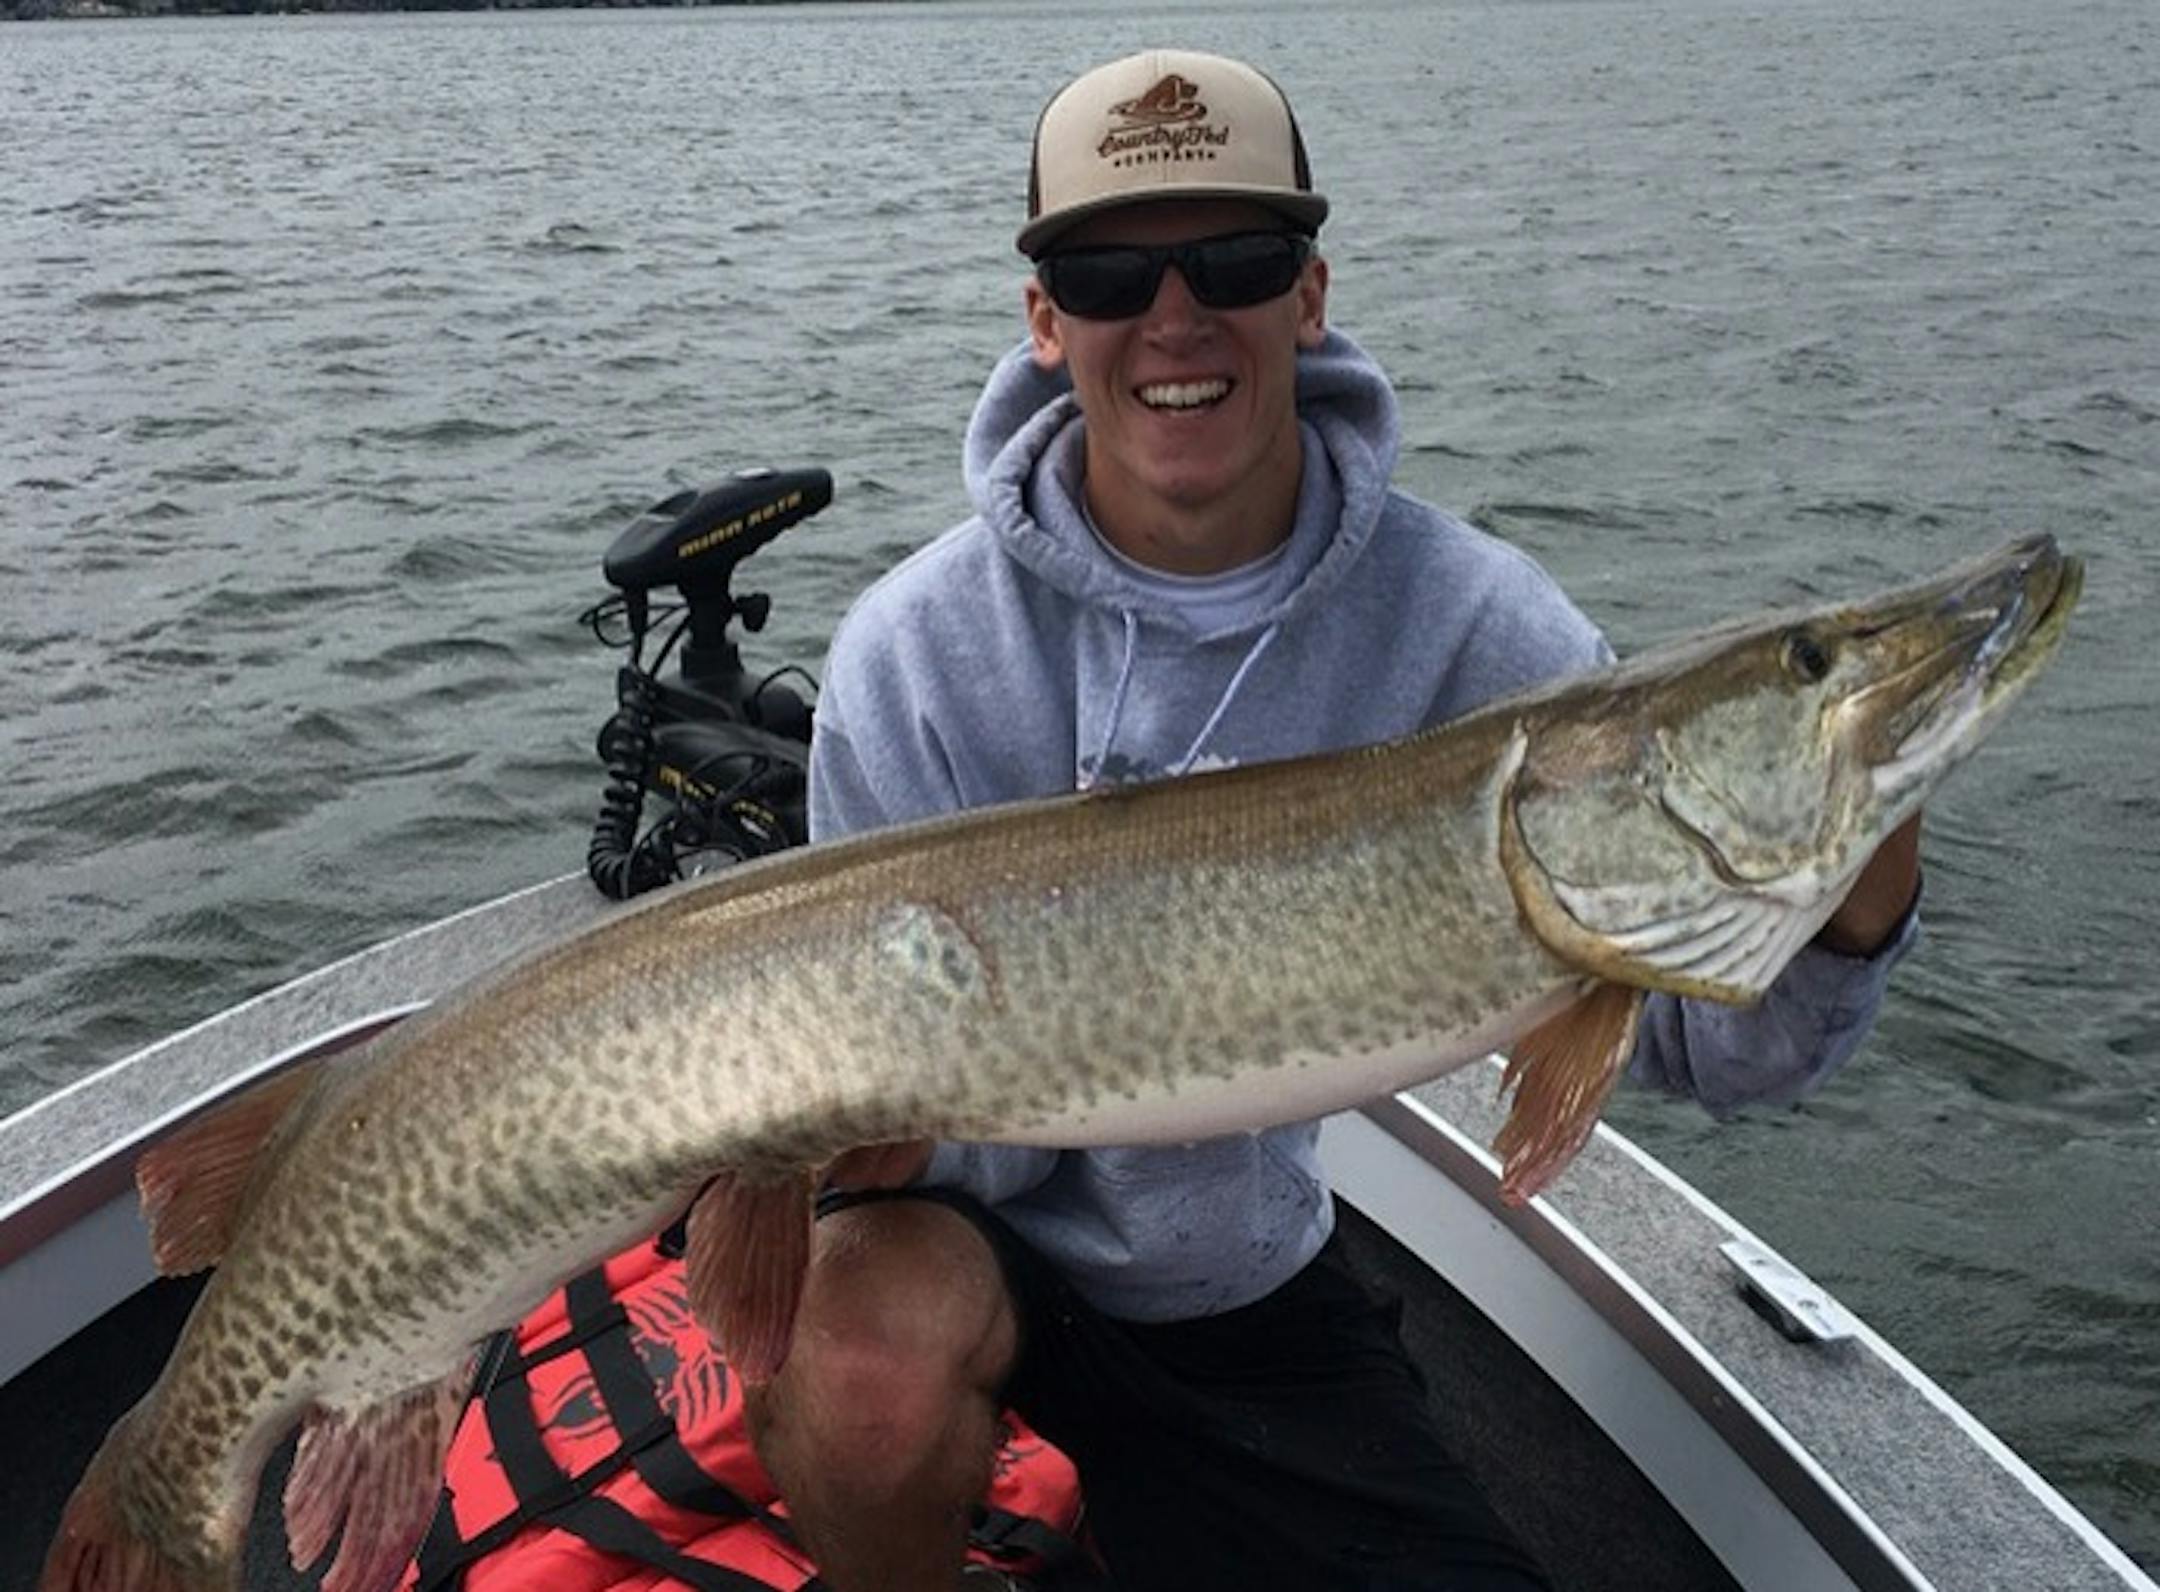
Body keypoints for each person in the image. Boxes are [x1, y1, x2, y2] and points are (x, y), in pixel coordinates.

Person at [743, 48, 1922, 1592]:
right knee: (859, 1372)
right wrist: (884, 1128)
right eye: (1108, 272)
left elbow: (1724, 1050)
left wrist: (1858, 870)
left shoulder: (1476, 628)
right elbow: (911, 1146)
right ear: (1046, 321)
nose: (1176, 317)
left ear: (1308, 293)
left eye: (1236, 260)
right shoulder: (914, 652)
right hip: (974, 1244)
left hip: (1245, 1272)